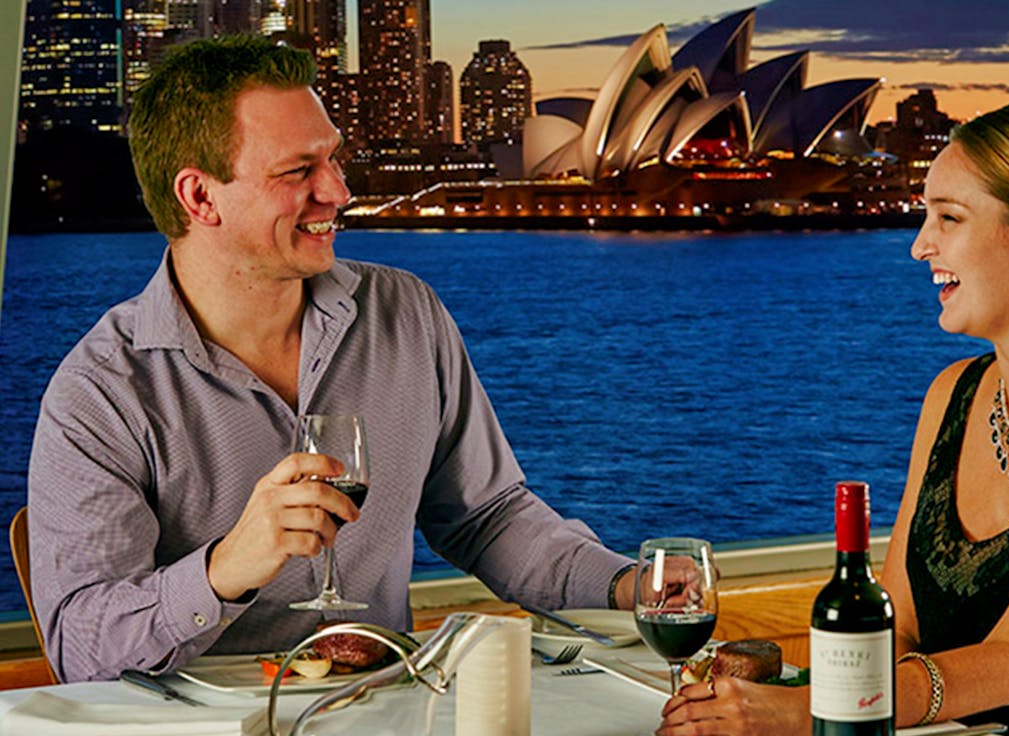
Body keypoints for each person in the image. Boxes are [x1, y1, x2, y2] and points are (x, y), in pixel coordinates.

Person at [27, 35, 635, 684]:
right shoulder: (99, 393)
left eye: (335, 161)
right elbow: (83, 654)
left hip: (392, 733)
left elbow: (489, 520)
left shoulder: (406, 312)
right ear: (201, 199)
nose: (339, 192)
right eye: (299, 172)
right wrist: (228, 566)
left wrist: (632, 586)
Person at [656, 101, 1009, 736]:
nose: (921, 244)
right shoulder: (955, 394)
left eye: (948, 218)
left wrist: (811, 710)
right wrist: (803, 698)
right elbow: (902, 625)